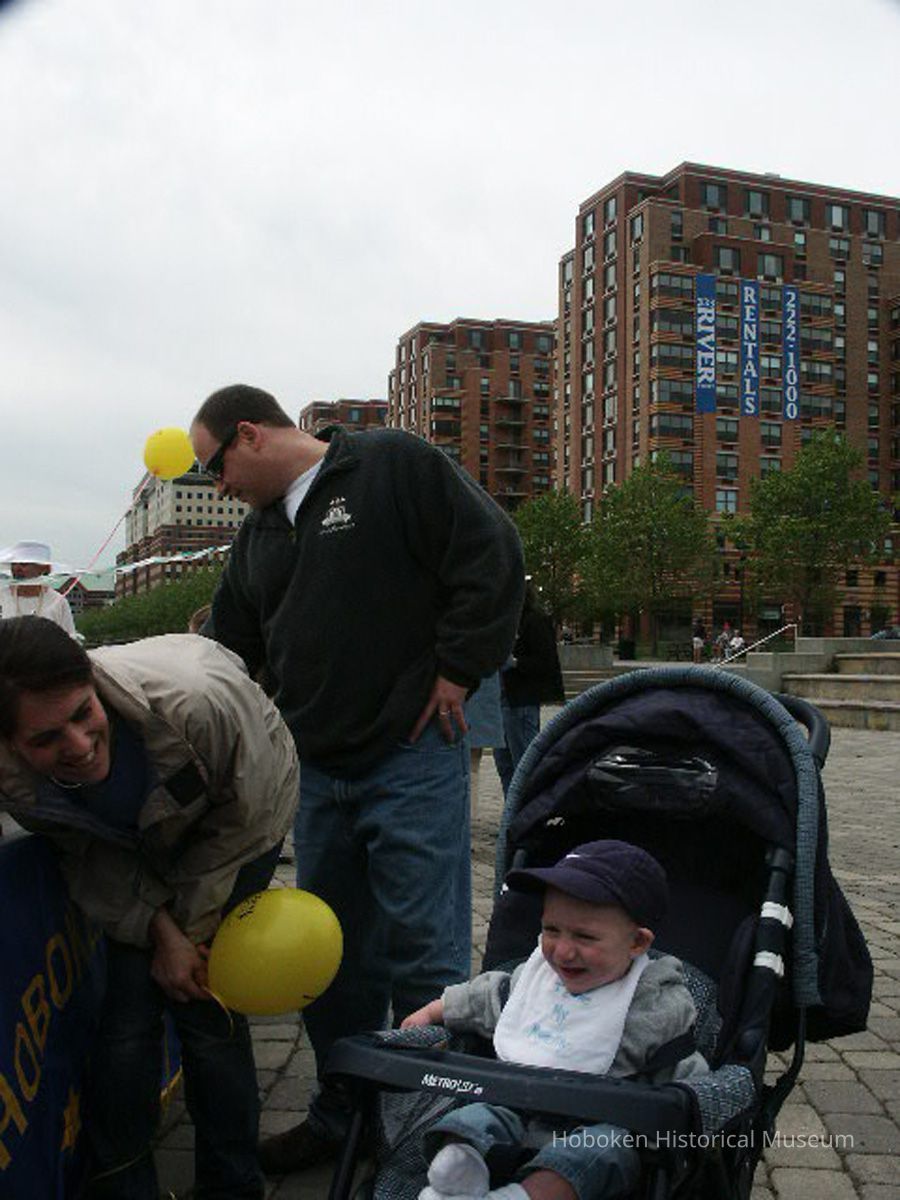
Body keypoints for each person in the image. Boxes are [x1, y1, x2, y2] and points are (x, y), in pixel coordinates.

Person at [189, 384, 525, 1173]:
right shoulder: (258, 537)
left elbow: (491, 552)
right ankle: (343, 1116)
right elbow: (228, 650)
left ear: (250, 433)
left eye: (215, 468)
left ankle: (425, 1137)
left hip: (409, 757)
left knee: (425, 956)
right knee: (330, 962)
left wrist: (459, 667)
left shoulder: (389, 465)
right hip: (315, 772)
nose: (218, 487)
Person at [0, 617, 299, 1200]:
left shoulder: (200, 705)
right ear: (9, 745)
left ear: (93, 681)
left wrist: (188, 933)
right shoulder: (12, 779)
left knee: (206, 1004)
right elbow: (91, 856)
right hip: (130, 840)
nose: (79, 746)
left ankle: (233, 1185)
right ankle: (125, 1186)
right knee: (127, 1016)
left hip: (240, 816)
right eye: (46, 740)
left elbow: (244, 825)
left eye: (84, 714)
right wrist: (159, 930)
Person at [403, 841, 707, 1200]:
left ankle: (518, 1197)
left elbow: (687, 1076)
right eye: (551, 929)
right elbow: (487, 997)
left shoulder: (652, 1005)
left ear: (637, 943)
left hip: (596, 1129)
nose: (562, 951)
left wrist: (690, 1112)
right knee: (468, 1120)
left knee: (602, 1150)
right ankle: (456, 1183)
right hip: (513, 1112)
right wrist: (434, 1011)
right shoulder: (535, 981)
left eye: (584, 936)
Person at [494, 584, 565, 798]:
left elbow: (546, 662)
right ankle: (512, 807)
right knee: (504, 763)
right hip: (502, 700)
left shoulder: (534, 621)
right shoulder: (506, 621)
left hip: (521, 700)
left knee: (525, 763)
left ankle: (529, 806)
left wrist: (516, 662)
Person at [0, 539, 77, 636]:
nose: (17, 568)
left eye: (24, 564)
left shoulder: (57, 601)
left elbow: (69, 638)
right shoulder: (2, 597)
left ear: (44, 569)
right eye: (14, 564)